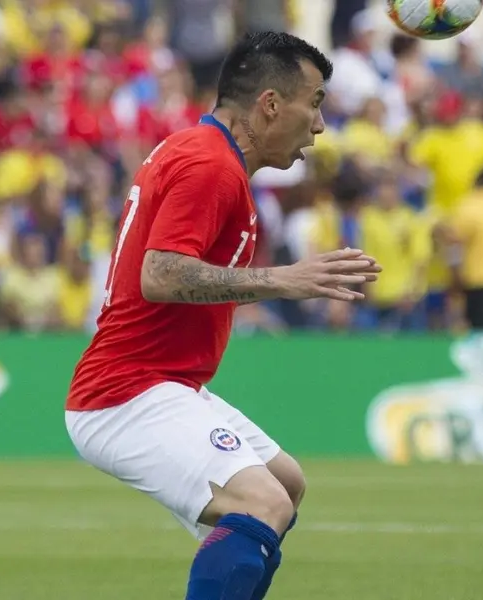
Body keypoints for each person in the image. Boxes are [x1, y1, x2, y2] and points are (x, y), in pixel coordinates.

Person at [63, 32, 382, 600]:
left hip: (164, 383)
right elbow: (160, 274)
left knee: (285, 484)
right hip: (127, 392)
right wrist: (282, 281)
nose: (319, 125)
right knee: (262, 501)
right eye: (315, 103)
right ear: (269, 104)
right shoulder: (211, 165)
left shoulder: (198, 151)